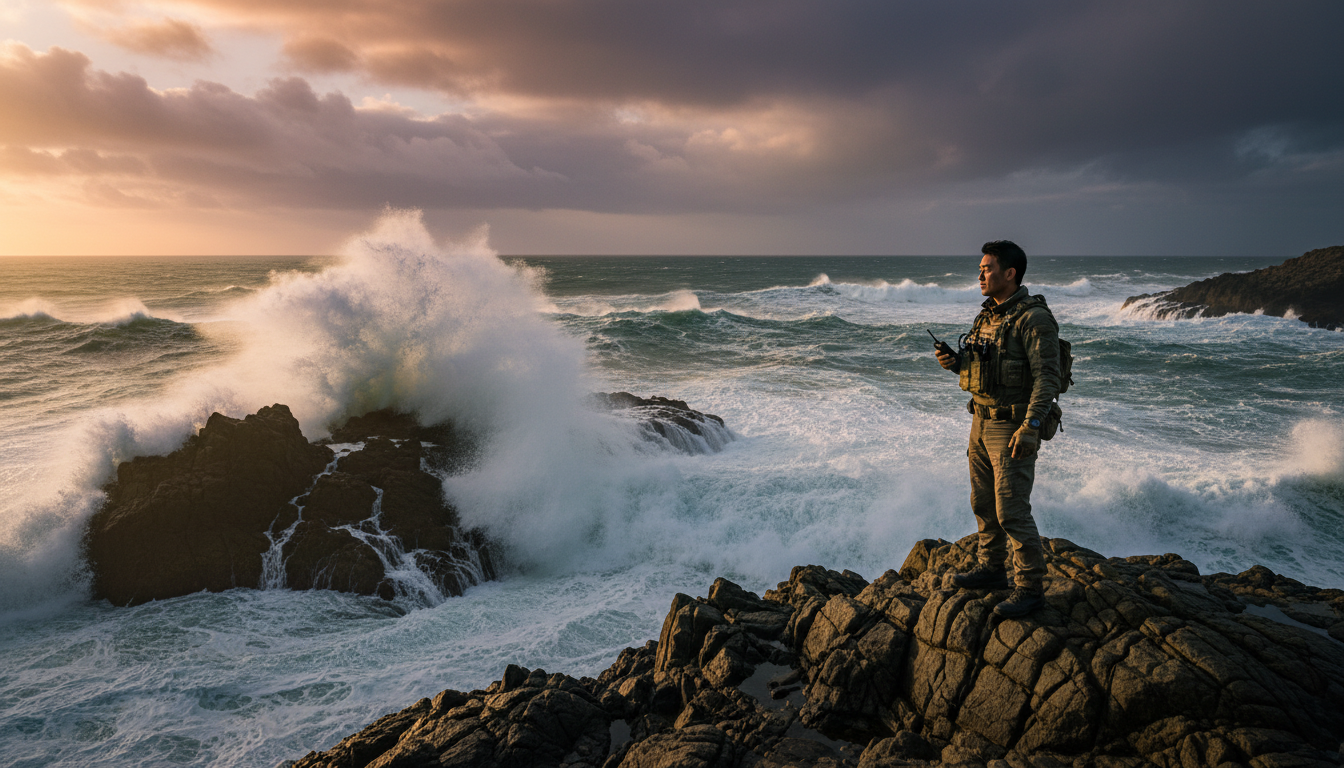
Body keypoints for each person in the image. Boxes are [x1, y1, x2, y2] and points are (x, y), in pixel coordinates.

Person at [934, 240, 1061, 617]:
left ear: (1010, 273)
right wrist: (956, 364)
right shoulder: (988, 316)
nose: (980, 274)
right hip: (980, 420)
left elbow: (1047, 378)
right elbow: (986, 368)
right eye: (980, 268)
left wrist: (1031, 426)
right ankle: (991, 569)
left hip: (1011, 427)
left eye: (987, 268)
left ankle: (1030, 588)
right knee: (983, 503)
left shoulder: (1033, 318)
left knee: (1012, 511)